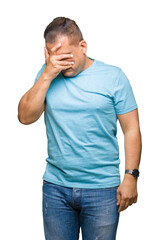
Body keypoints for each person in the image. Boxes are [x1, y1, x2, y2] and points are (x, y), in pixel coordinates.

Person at [18, 16, 142, 240]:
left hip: (102, 189)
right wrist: (47, 73)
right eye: (56, 58)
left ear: (82, 47)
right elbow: (25, 117)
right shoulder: (48, 75)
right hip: (56, 188)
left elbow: (131, 128)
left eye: (67, 57)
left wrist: (131, 177)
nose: (62, 64)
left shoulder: (113, 77)